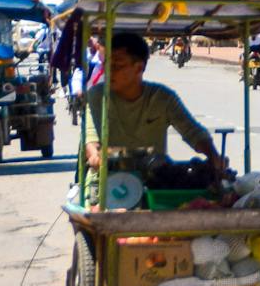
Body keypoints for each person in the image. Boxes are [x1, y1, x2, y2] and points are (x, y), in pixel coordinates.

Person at [81, 31, 227, 182]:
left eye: (117, 66)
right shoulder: (97, 95)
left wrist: (214, 156)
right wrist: (94, 156)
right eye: (107, 65)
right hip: (107, 182)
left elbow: (193, 132)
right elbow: (91, 139)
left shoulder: (162, 97)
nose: (109, 71)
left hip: (153, 179)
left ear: (139, 68)